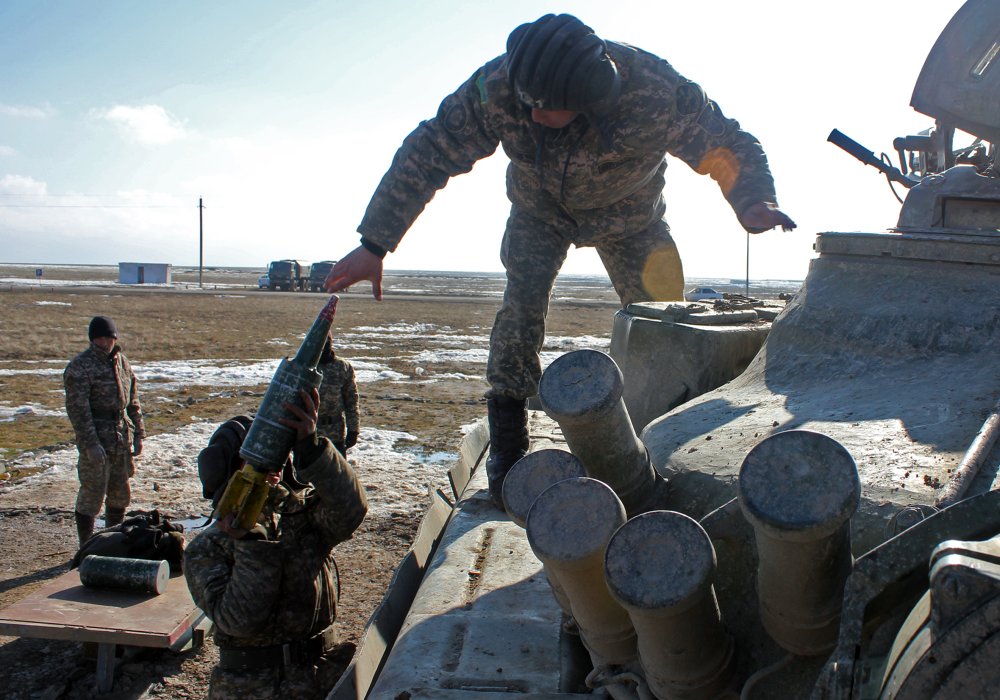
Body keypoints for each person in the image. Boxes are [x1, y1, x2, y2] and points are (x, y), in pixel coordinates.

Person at [324, 13, 797, 507]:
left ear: (589, 97)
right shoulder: (501, 85)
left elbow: (728, 143)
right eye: (525, 103)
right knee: (520, 310)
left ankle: (666, 440)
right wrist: (375, 243)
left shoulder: (655, 93)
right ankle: (507, 448)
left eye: (542, 108)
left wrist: (751, 199)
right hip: (539, 211)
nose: (528, 116)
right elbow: (431, 148)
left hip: (631, 218)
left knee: (666, 323)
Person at [183, 388, 368, 700]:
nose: (273, 468)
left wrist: (312, 449)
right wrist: (252, 544)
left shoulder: (296, 516)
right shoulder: (208, 549)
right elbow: (240, 620)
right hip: (252, 690)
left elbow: (350, 511)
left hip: (321, 680)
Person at [64, 315, 144, 545]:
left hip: (121, 437)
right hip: (96, 436)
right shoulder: (80, 367)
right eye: (100, 338)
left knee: (120, 493)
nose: (105, 342)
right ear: (93, 339)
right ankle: (86, 545)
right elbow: (78, 410)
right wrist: (90, 444)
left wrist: (139, 434)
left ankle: (111, 541)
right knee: (92, 494)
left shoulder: (123, 363)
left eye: (109, 337)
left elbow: (133, 402)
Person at [316, 334, 360, 456]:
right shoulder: (305, 366)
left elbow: (351, 401)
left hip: (335, 434)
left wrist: (353, 430)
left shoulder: (342, 367)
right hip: (307, 434)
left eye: (326, 343)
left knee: (338, 473)